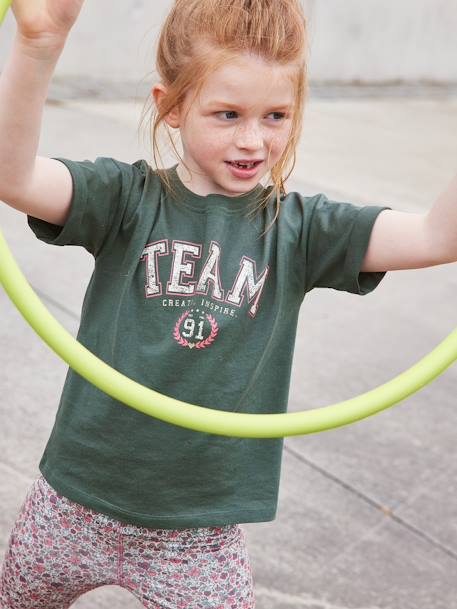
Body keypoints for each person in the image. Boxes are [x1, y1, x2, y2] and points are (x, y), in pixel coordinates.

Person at [1, 0, 457, 607]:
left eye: (275, 116)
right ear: (170, 106)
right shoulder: (125, 200)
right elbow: (14, 178)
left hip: (198, 532)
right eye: (227, 114)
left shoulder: (303, 230)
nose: (252, 140)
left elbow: (437, 237)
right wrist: (39, 47)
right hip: (73, 499)